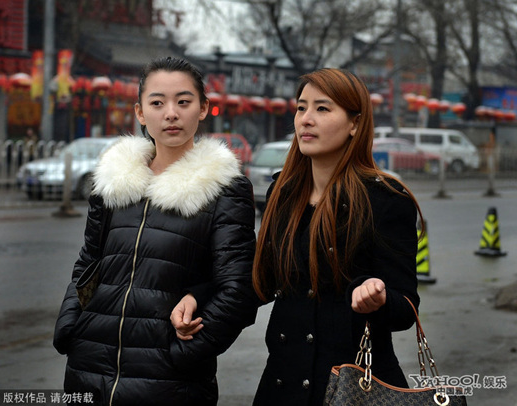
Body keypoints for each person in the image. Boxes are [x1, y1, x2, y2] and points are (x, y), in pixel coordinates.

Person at [172, 68, 423, 405]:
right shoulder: (284, 193)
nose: (306, 119)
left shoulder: (386, 200)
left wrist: (377, 298)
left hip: (353, 389)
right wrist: (199, 296)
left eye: (322, 108)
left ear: (355, 123)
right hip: (283, 384)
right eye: (301, 107)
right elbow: (262, 280)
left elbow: (406, 308)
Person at [53, 56, 258, 406]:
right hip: (89, 369)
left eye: (183, 102)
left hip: (169, 382)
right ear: (140, 112)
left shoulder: (224, 190)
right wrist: (70, 325)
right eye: (158, 103)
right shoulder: (115, 183)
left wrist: (182, 353)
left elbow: (238, 290)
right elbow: (88, 263)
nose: (171, 114)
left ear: (203, 108)